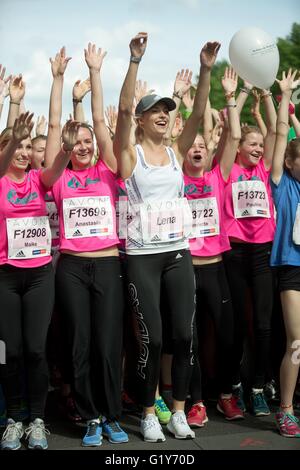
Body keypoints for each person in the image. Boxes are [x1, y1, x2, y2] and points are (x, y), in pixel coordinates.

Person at [113, 32, 220, 442]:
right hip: (143, 256)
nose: (163, 114)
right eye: (154, 110)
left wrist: (206, 70)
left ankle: (177, 411)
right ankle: (146, 411)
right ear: (141, 120)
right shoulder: (130, 155)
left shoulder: (177, 150)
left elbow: (195, 114)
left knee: (182, 334)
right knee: (152, 338)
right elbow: (123, 109)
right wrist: (135, 61)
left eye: (166, 110)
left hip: (177, 252)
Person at [45, 45, 128, 446]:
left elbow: (98, 119)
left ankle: (112, 416)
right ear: (66, 147)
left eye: (88, 141)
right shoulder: (58, 175)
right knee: (78, 344)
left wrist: (96, 73)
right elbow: (54, 129)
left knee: (108, 344)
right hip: (73, 269)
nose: (84, 145)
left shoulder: (107, 169)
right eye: (76, 142)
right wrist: (59, 81)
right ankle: (90, 415)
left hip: (109, 265)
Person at [0, 113, 79, 450]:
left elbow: (56, 168)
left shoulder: (38, 180)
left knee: (35, 349)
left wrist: (66, 148)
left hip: (39, 274)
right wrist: (10, 141)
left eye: (26, 147)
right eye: (15, 146)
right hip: (5, 275)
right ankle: (14, 419)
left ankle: (36, 420)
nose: (22, 152)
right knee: (11, 352)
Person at [183, 67, 244, 425]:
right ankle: (195, 402)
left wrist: (231, 97)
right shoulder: (176, 178)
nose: (198, 149)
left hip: (216, 266)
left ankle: (224, 394)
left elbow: (234, 136)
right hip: (185, 267)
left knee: (227, 334)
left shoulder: (217, 175)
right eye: (192, 146)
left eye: (203, 146)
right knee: (187, 338)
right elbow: (186, 133)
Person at [222, 82, 277, 416]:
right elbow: (229, 133)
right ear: (239, 146)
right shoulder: (228, 170)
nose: (258, 148)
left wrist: (270, 95)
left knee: (264, 324)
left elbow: (277, 131)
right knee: (237, 326)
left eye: (260, 144)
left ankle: (258, 386)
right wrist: (235, 97)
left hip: (262, 253)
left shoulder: (264, 168)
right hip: (235, 253)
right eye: (252, 144)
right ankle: (234, 386)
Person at [270, 68, 300, 437]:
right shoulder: (282, 184)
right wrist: (284, 103)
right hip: (291, 267)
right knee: (297, 342)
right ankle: (286, 409)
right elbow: (280, 138)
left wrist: (296, 116)